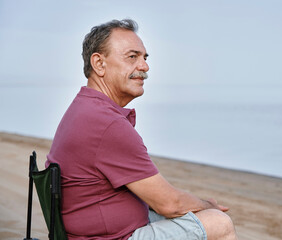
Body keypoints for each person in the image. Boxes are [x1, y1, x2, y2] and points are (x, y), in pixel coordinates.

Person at [46, 19, 238, 240]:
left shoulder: (85, 107)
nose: (145, 66)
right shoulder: (106, 123)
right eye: (132, 57)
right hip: (109, 237)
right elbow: (169, 203)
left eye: (145, 58)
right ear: (99, 64)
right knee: (218, 223)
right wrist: (207, 205)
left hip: (95, 230)